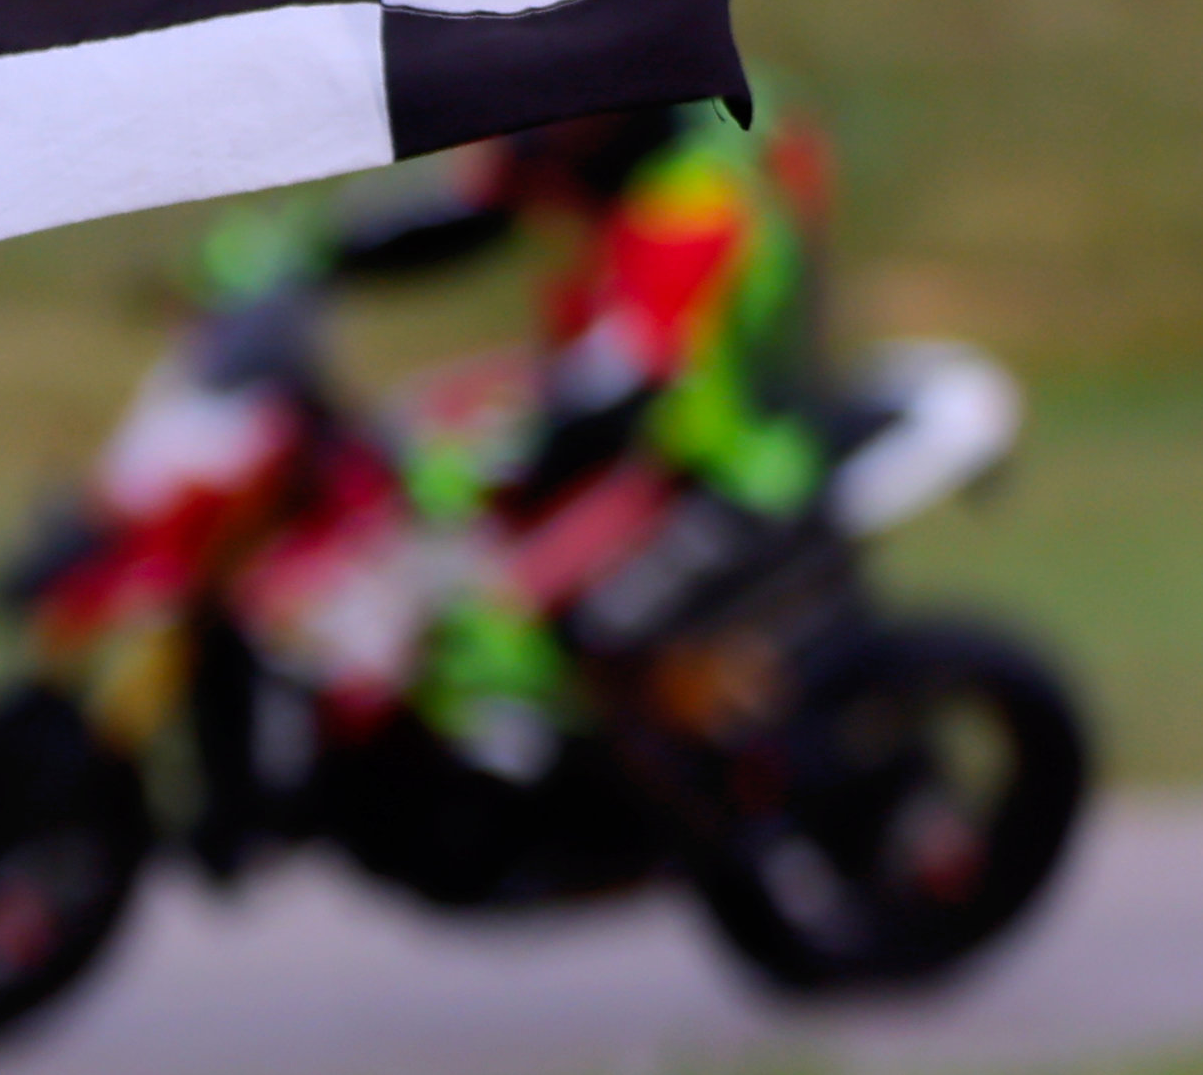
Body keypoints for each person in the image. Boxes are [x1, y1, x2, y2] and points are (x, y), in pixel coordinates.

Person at [219, 96, 830, 769]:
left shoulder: (692, 200)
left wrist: (488, 457)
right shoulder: (589, 148)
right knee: (418, 430)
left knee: (507, 627)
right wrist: (304, 253)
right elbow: (459, 220)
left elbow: (623, 381)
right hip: (623, 430)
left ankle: (652, 812)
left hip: (710, 460)